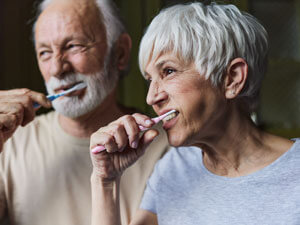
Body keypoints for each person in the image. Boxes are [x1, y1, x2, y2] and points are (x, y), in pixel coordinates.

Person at [90, 2, 300, 225]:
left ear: (232, 79)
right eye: (150, 79)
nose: (151, 98)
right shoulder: (173, 168)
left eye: (168, 71)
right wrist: (105, 181)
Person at [0, 0, 168, 224]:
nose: (57, 69)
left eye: (73, 46)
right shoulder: (10, 145)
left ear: (120, 53)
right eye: (45, 53)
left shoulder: (168, 146)